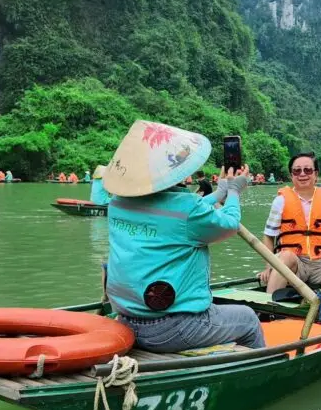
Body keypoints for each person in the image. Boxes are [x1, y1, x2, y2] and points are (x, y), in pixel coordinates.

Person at [104, 120, 264, 352]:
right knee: (248, 319)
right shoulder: (187, 209)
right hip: (172, 328)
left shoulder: (117, 204)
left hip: (125, 319)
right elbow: (229, 224)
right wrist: (234, 191)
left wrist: (220, 192)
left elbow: (175, 213)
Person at [259, 153, 321, 300]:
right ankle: (269, 306)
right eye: (297, 171)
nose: (302, 174)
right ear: (291, 175)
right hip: (294, 261)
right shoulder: (280, 201)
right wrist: (269, 266)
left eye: (307, 170)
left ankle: (314, 302)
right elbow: (269, 236)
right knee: (286, 256)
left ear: (315, 174)